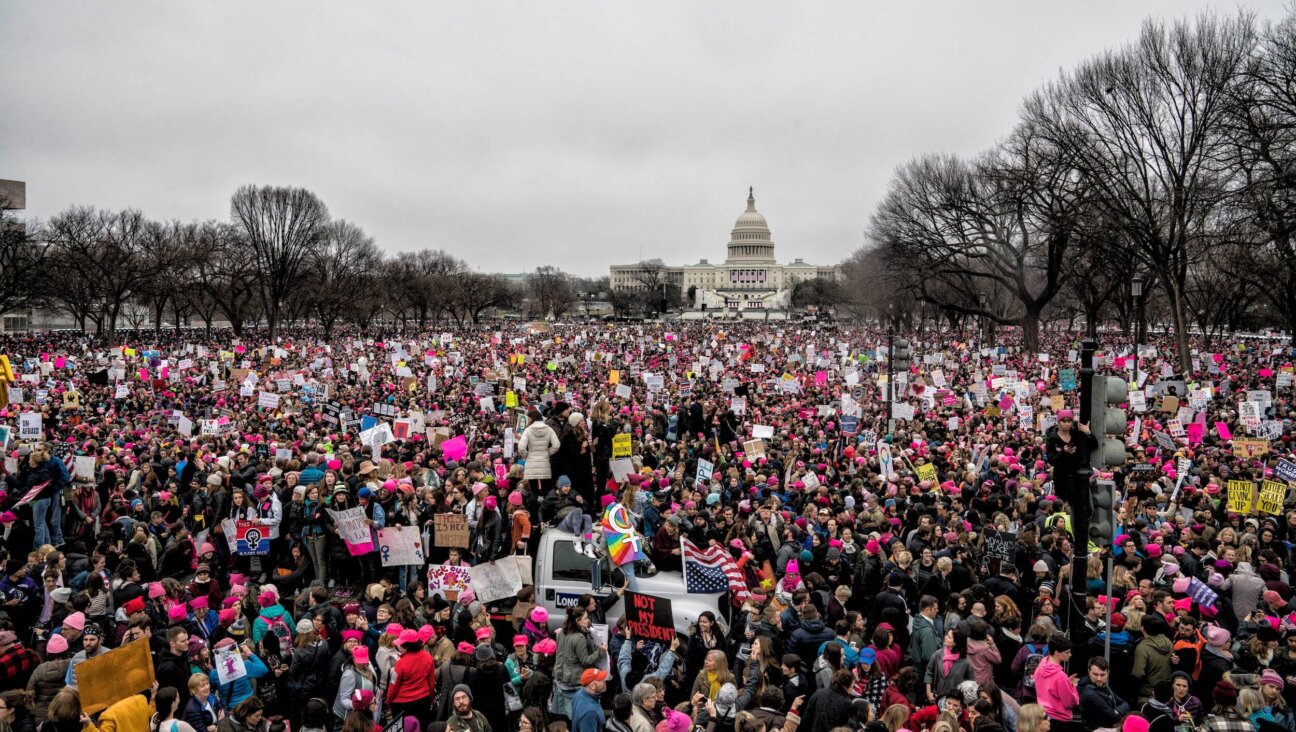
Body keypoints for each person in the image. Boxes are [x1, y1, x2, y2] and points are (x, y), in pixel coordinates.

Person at [1032, 634, 1078, 730]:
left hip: (1042, 714)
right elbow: (1069, 702)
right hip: (1059, 720)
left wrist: (1066, 683)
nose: (1070, 655)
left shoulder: (1040, 666)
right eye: (1067, 652)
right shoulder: (1061, 676)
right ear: (1057, 652)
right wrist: (1072, 687)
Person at [1077, 656, 1127, 728]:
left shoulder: (1102, 687)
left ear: (1108, 673)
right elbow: (1111, 715)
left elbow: (1125, 703)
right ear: (1089, 671)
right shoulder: (1087, 692)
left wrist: (1116, 711)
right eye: (1095, 674)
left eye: (1103, 675)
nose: (1099, 679)